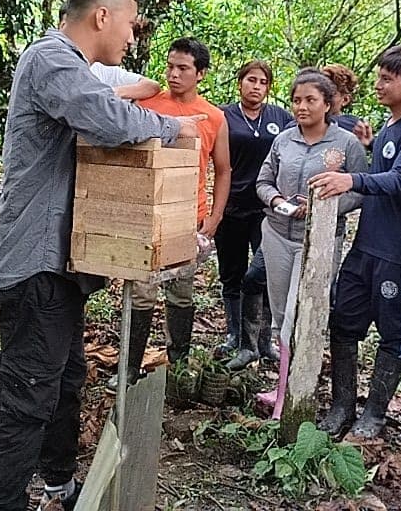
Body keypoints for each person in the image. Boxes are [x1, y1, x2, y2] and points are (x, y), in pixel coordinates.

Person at [0, 0, 201, 511]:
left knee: (66, 379)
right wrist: (174, 127)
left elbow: (110, 102)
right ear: (102, 15)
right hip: (33, 263)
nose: (132, 36)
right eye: (130, 23)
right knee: (29, 392)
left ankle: (59, 483)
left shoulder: (74, 67)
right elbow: (102, 114)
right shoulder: (50, 57)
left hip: (63, 264)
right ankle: (3, 504)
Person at [312, 45, 401, 439]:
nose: (379, 84)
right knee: (343, 323)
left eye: (388, 78)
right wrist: (370, 149)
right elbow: (388, 168)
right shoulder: (390, 126)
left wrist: (352, 179)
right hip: (366, 245)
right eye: (379, 76)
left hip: (398, 251)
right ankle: (342, 405)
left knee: (393, 334)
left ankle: (376, 413)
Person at [115, 38, 231, 386]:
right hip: (149, 216)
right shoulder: (149, 103)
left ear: (201, 74)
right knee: (141, 291)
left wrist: (214, 218)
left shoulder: (214, 117)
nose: (174, 74)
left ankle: (177, 365)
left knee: (181, 291)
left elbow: (223, 170)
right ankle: (130, 369)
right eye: (170, 66)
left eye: (183, 68)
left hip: (188, 218)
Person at [254, 69, 367, 417]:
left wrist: (320, 209)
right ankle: (282, 387)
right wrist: (275, 200)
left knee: (306, 315)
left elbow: (360, 190)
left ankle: (300, 393)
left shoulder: (345, 143)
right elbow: (263, 180)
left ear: (328, 103)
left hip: (318, 243)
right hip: (276, 234)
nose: (302, 107)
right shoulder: (283, 140)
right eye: (297, 100)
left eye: (310, 100)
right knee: (281, 315)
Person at [214, 60, 292, 360]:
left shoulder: (280, 117)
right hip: (231, 206)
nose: (256, 86)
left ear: (269, 88)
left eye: (262, 82)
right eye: (251, 80)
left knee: (266, 274)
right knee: (232, 274)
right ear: (240, 82)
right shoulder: (224, 115)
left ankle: (263, 340)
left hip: (267, 211)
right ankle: (235, 334)